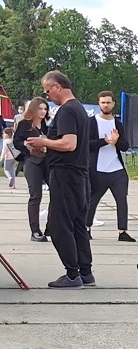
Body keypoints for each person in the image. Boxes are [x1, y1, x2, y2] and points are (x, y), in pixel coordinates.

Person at [27, 71, 94, 287]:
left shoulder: (66, 111)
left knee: (59, 225)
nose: (47, 95)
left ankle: (72, 274)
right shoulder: (79, 109)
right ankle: (85, 272)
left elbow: (68, 144)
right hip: (79, 174)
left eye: (47, 91)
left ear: (56, 87)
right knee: (77, 224)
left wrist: (43, 142)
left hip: (65, 174)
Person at [87, 91, 135, 242]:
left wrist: (116, 142)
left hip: (116, 169)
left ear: (113, 103)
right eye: (102, 102)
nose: (105, 105)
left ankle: (123, 231)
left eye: (108, 102)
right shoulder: (91, 122)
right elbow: (86, 145)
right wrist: (104, 141)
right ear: (99, 103)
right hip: (98, 169)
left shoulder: (117, 124)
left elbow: (125, 146)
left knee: (122, 199)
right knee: (92, 199)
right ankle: (86, 228)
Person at [13, 97, 50, 241]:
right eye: (40, 108)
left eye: (45, 109)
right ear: (33, 109)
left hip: (46, 160)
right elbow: (16, 142)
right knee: (36, 195)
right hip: (31, 160)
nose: (43, 111)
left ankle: (51, 226)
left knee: (57, 191)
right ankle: (35, 230)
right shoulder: (25, 124)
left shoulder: (46, 125)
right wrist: (28, 146)